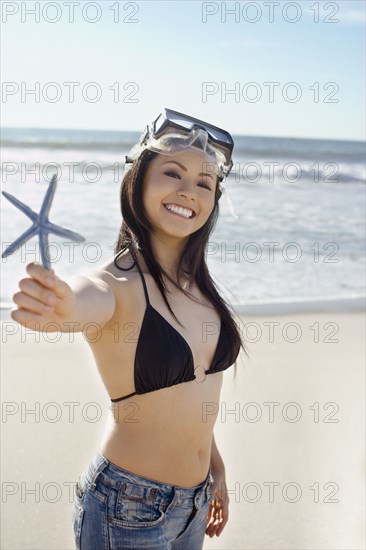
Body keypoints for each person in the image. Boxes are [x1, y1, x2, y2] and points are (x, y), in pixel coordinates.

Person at [11, 108, 247, 549]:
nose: (188, 191)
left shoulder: (199, 287)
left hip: (194, 504)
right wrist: (63, 306)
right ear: (138, 179)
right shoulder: (116, 284)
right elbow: (85, 299)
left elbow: (194, 393)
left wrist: (217, 469)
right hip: (127, 506)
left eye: (204, 182)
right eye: (172, 173)